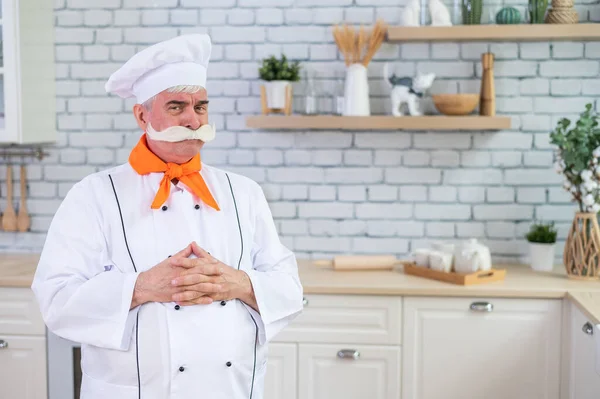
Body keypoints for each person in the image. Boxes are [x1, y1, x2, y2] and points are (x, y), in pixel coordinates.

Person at [31, 33, 304, 399]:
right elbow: (56, 297)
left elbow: (289, 287)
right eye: (177, 107)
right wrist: (141, 287)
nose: (193, 119)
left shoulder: (244, 192)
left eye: (201, 106)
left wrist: (238, 284)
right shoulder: (94, 195)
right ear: (142, 115)